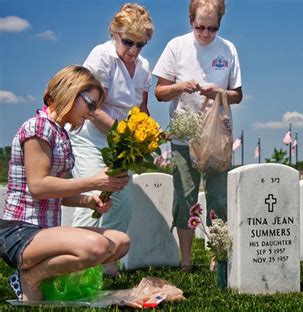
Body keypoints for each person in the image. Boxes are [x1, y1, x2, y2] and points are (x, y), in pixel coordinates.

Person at [0, 65, 131, 301]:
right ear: (70, 92)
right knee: (97, 246)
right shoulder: (38, 127)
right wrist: (94, 181)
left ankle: (35, 275)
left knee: (120, 242)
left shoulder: (61, 133)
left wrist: (89, 201)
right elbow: (39, 187)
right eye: (90, 104)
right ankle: (29, 277)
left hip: (45, 231)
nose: (92, 113)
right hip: (20, 232)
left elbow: (56, 193)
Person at [153, 0, 242, 272]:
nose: (205, 34)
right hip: (183, 133)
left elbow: (237, 95)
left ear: (220, 24)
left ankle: (217, 256)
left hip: (216, 135)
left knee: (218, 198)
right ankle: (187, 259)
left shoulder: (228, 49)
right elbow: (159, 92)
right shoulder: (176, 46)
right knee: (185, 198)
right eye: (199, 26)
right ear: (190, 19)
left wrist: (219, 92)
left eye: (212, 28)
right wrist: (180, 86)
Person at [69, 3, 154, 275]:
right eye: (128, 42)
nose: (133, 50)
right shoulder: (101, 57)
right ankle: (76, 265)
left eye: (140, 45)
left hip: (120, 144)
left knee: (123, 202)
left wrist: (146, 137)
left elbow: (142, 109)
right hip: (90, 138)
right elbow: (92, 108)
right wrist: (125, 135)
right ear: (114, 33)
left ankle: (107, 261)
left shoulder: (143, 66)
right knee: (94, 198)